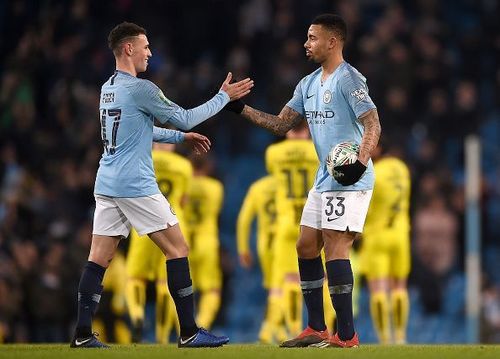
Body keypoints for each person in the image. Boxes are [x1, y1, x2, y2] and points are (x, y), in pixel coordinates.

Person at [70, 21, 253, 349]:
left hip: (107, 182)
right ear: (129, 49)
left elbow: (139, 130)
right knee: (178, 249)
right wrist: (222, 98)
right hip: (135, 184)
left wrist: (179, 138)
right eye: (145, 46)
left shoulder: (108, 88)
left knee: (99, 258)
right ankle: (189, 332)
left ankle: (82, 334)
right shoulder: (143, 89)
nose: (150, 53)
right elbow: (184, 115)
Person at [225, 14, 380, 348]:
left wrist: (359, 163)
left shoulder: (349, 79)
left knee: (336, 248)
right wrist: (240, 109)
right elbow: (281, 125)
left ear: (332, 42)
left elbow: (373, 123)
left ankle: (347, 335)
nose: (306, 44)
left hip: (350, 178)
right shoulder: (308, 84)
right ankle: (316, 328)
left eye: (312, 38)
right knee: (305, 245)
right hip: (324, 178)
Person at [125, 142, 193, 344]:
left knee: (135, 278)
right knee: (165, 282)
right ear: (172, 145)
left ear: (153, 143)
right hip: (172, 224)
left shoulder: (141, 160)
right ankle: (162, 337)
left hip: (144, 223)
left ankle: (137, 316)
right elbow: (183, 201)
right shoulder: (184, 166)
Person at [264, 122, 318, 339]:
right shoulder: (316, 150)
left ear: (287, 130)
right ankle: (327, 326)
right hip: (311, 221)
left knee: (288, 280)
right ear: (307, 130)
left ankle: (295, 329)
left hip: (285, 223)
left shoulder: (273, 153)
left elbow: (272, 175)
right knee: (318, 277)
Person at [360, 138, 411, 344]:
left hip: (376, 236)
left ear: (379, 148)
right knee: (400, 287)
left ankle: (384, 338)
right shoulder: (402, 169)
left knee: (378, 289)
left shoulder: (373, 174)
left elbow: (365, 207)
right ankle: (400, 336)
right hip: (400, 234)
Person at [236, 175, 287, 343]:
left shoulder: (258, 187)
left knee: (275, 287)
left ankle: (278, 330)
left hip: (265, 244)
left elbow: (244, 219)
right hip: (284, 241)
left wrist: (243, 248)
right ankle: (267, 328)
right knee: (284, 288)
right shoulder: (286, 184)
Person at [184, 155, 223, 331]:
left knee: (182, 288)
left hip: (184, 242)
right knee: (212, 290)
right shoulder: (216, 187)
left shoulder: (183, 185)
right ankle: (203, 326)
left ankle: (183, 328)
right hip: (206, 242)